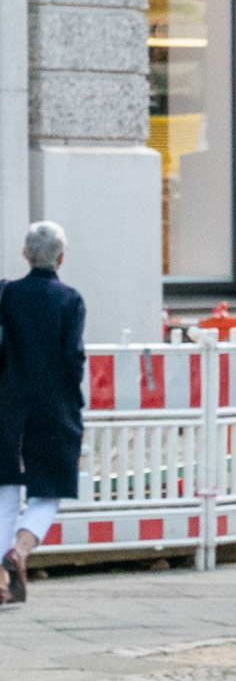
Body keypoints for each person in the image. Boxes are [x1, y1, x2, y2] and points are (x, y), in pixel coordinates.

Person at [0, 222, 84, 607]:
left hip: (8, 404)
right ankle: (20, 549)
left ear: (24, 254)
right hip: (53, 407)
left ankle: (1, 580)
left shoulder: (7, 295)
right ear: (62, 258)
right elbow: (73, 359)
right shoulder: (70, 300)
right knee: (50, 489)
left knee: (5, 490)